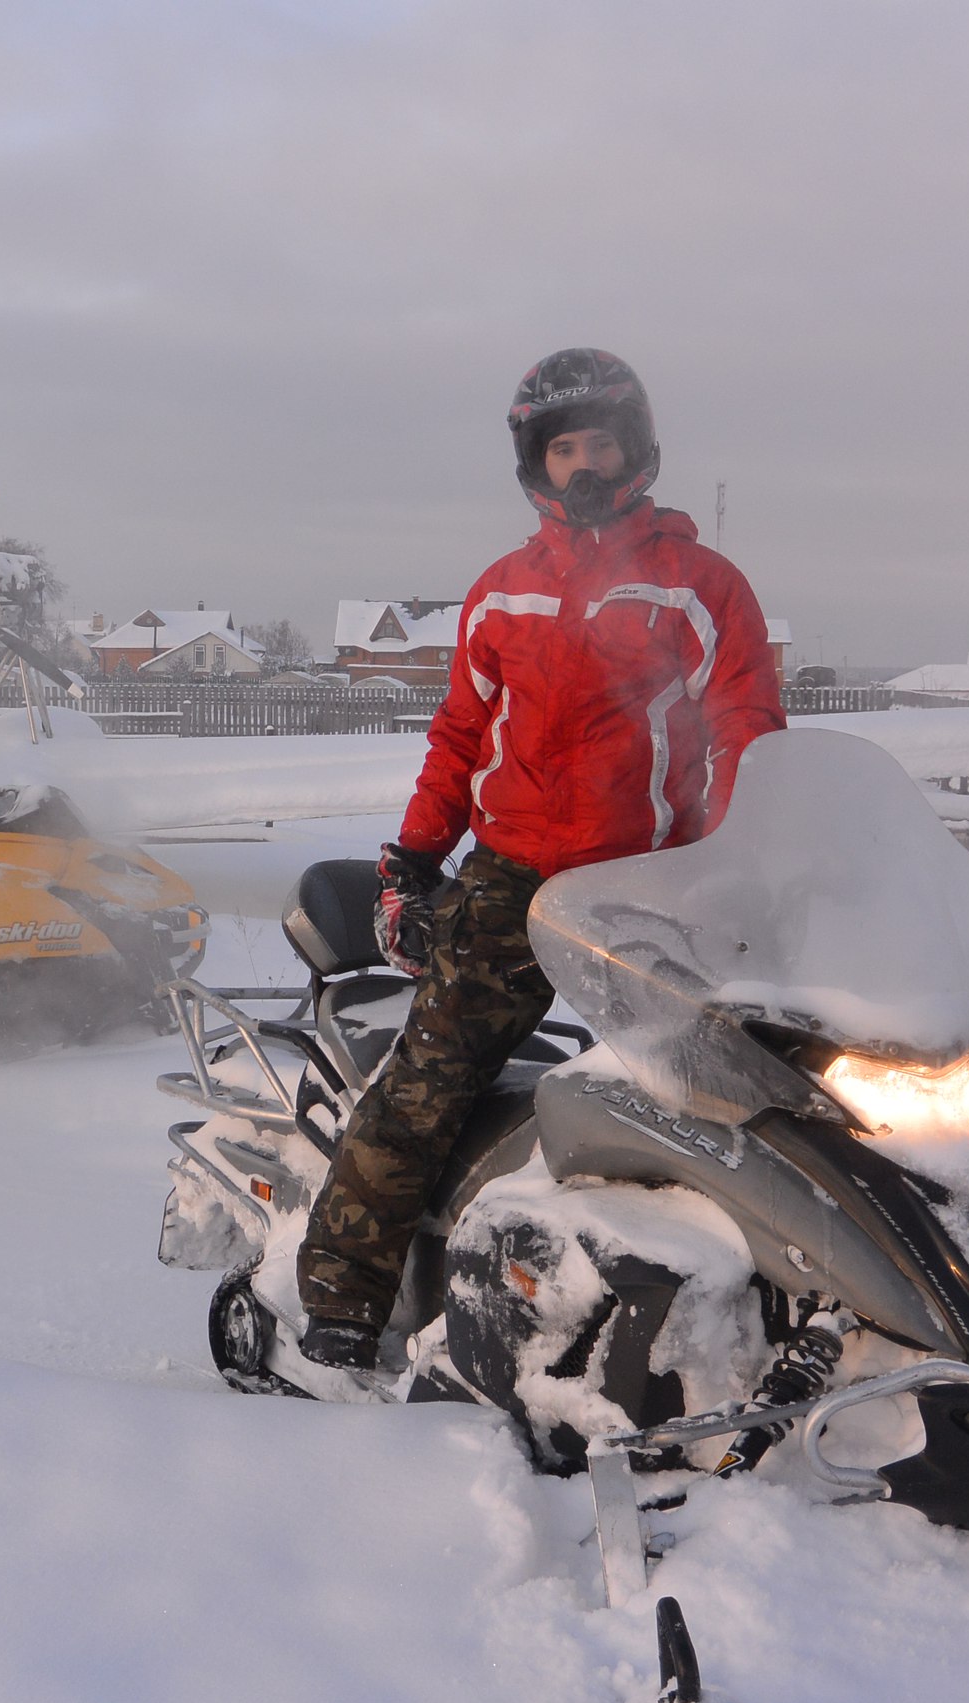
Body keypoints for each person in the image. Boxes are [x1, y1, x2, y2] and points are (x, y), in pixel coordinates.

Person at [295, 349, 786, 1369]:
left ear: (637, 448)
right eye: (564, 447)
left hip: (652, 884)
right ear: (537, 461)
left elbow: (745, 726)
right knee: (427, 1083)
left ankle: (749, 1298)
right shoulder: (501, 593)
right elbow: (460, 739)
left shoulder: (700, 587)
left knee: (722, 1084)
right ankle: (344, 1299)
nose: (584, 464)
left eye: (600, 441)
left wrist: (750, 855)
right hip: (512, 878)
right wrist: (414, 858)